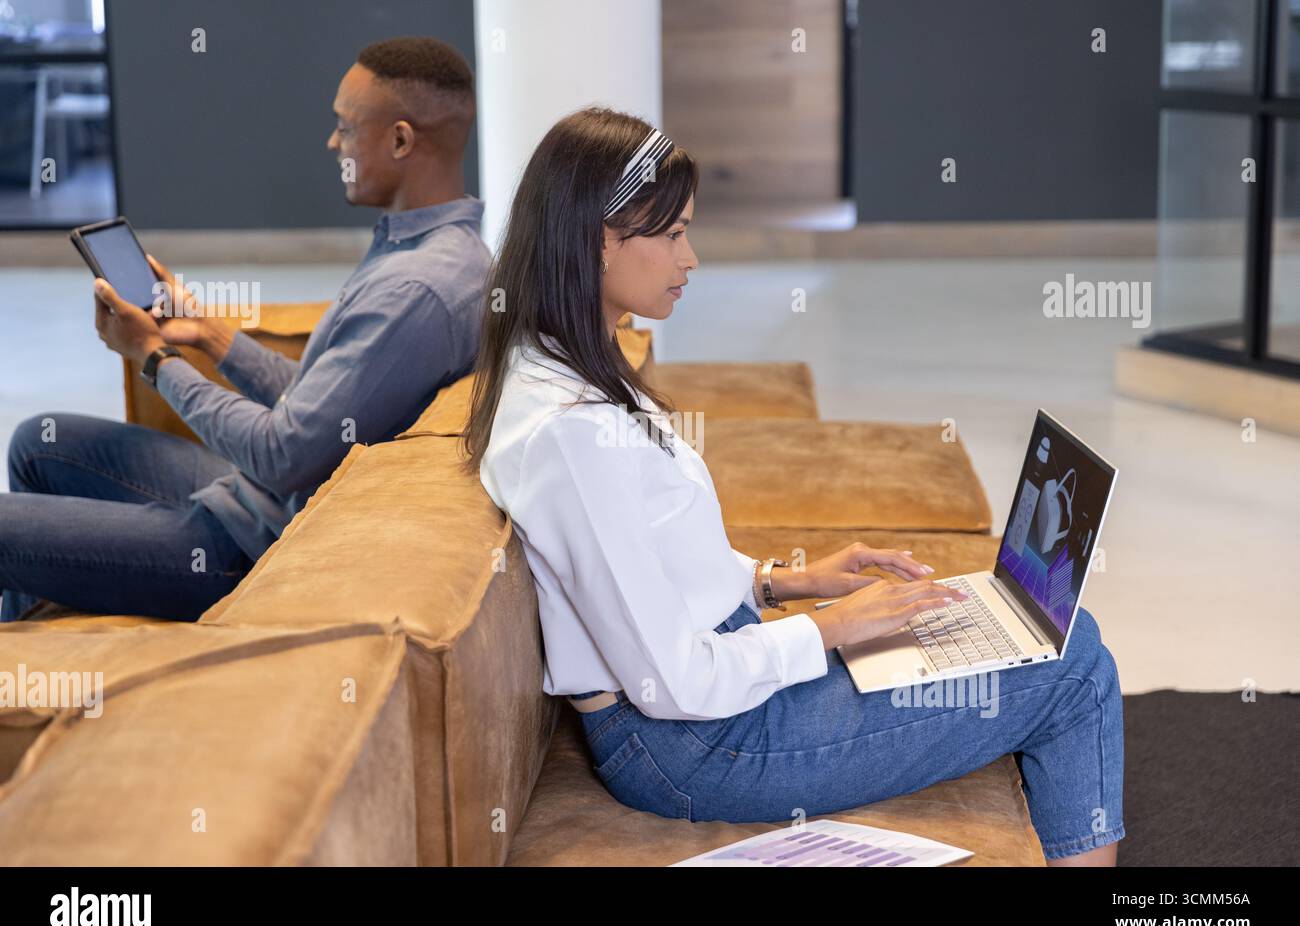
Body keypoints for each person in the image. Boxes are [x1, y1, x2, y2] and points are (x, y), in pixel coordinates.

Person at [463, 106, 1125, 866]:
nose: (692, 258)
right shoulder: (569, 434)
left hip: (721, 698)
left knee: (1048, 631)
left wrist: (789, 581)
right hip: (696, 746)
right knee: (1074, 671)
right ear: (597, 240)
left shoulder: (570, 363)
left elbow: (659, 571)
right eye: (673, 233)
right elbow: (671, 682)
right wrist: (834, 627)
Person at [1, 36, 490, 622]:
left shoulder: (416, 293)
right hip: (258, 502)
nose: (333, 142)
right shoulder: (431, 254)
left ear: (401, 139)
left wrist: (155, 359)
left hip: (245, 550)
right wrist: (208, 334)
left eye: (345, 127)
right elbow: (316, 402)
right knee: (38, 441)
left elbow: (282, 453)